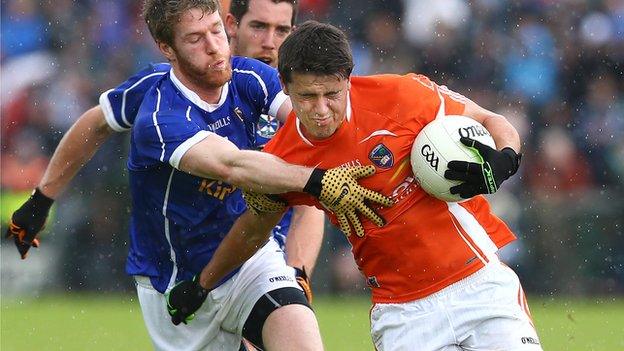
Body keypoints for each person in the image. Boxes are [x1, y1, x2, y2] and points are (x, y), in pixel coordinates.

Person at [171, 21, 543, 351]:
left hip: (478, 282)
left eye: (331, 94)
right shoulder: (281, 159)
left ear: (348, 78)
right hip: (402, 315)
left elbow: (491, 119)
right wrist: (203, 284)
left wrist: (506, 157)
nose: (320, 110)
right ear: (285, 86)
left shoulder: (401, 95)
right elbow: (254, 228)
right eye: (306, 96)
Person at [5, 0, 323, 292]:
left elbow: (311, 197)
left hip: (264, 256)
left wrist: (297, 276)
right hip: (185, 267)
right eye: (259, 27)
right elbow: (95, 123)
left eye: (281, 30)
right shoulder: (166, 90)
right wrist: (42, 198)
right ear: (232, 25)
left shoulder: (299, 102)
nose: (270, 41)